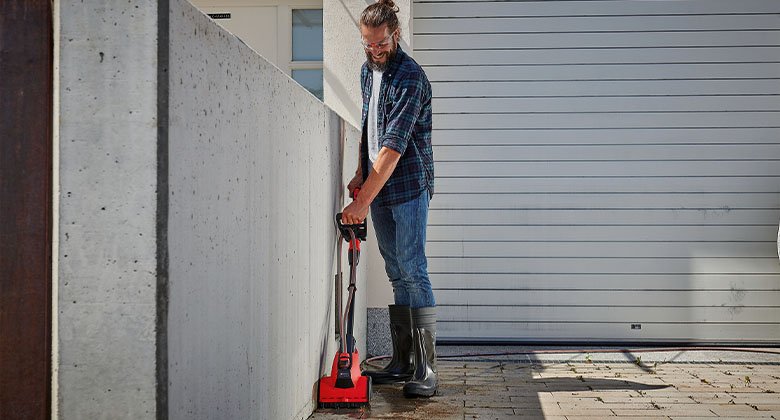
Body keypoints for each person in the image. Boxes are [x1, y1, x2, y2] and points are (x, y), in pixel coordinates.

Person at [339, 0, 436, 398]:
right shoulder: (367, 71)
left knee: (413, 269)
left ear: (395, 35)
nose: (374, 51)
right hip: (379, 185)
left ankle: (427, 369)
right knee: (396, 272)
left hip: (409, 184)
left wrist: (360, 204)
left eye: (380, 44)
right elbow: (369, 126)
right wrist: (361, 175)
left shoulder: (410, 77)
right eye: (367, 43)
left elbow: (393, 147)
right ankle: (403, 361)